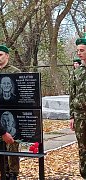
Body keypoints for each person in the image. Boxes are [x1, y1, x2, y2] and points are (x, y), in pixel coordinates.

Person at [0, 45, 21, 180]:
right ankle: (3, 172)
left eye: (0, 55)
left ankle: (13, 173)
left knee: (13, 143)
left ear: (7, 56)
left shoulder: (15, 72)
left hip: (12, 113)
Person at [69, 37, 86, 179]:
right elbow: (72, 94)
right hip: (80, 117)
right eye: (78, 51)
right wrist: (71, 116)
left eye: (82, 50)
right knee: (82, 148)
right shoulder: (76, 72)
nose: (79, 53)